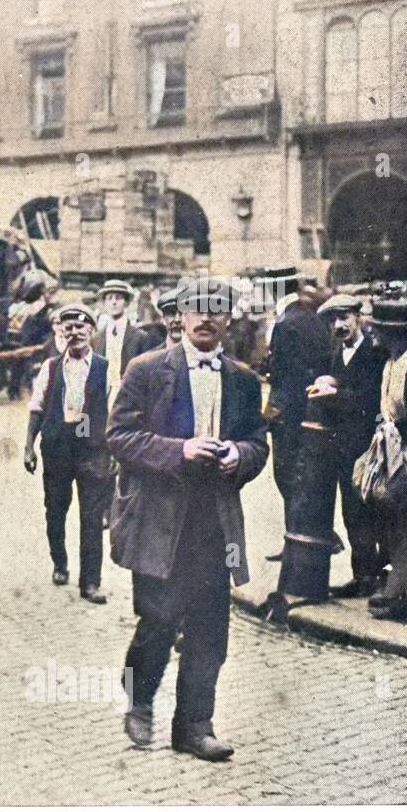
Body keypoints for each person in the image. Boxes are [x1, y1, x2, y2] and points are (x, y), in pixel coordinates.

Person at [108, 276, 269, 761]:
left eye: (215, 310)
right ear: (179, 316)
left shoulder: (241, 379)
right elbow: (119, 436)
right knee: (156, 622)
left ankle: (194, 727)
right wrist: (180, 449)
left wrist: (239, 455)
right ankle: (139, 700)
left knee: (209, 629)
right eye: (194, 310)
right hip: (158, 520)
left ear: (227, 318)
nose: (204, 319)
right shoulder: (147, 369)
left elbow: (259, 443)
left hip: (214, 523)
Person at [23, 304, 113, 603]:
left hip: (92, 450)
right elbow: (36, 408)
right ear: (61, 333)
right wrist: (28, 447)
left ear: (91, 331)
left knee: (92, 517)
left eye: (81, 327)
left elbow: (116, 413)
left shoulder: (106, 368)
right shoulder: (50, 367)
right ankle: (60, 563)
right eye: (68, 328)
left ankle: (90, 582)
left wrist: (114, 451)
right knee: (56, 511)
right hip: (57, 448)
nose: (75, 333)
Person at [306, 293, 388, 599]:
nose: (339, 326)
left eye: (344, 318)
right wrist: (327, 382)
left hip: (371, 447)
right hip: (343, 447)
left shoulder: (374, 351)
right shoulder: (337, 353)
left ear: (358, 317)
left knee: (376, 511)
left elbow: (370, 399)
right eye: (333, 321)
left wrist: (334, 392)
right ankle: (363, 576)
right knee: (352, 512)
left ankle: (385, 577)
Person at [264, 270, 331, 555]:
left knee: (287, 476)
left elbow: (282, 375)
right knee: (309, 478)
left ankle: (296, 544)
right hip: (314, 409)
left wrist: (272, 412)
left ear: (273, 290)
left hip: (289, 415)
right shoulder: (313, 316)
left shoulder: (285, 323)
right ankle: (304, 542)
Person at [363, 294, 407, 621]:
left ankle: (401, 589)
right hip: (393, 451)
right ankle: (396, 583)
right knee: (392, 520)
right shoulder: (390, 362)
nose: (374, 333)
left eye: (380, 328)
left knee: (405, 523)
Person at [92, 279, 150, 409]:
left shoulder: (140, 337)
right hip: (102, 397)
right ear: (104, 303)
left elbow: (145, 373)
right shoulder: (96, 339)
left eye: (118, 298)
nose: (114, 302)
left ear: (126, 302)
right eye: (109, 298)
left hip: (129, 396)